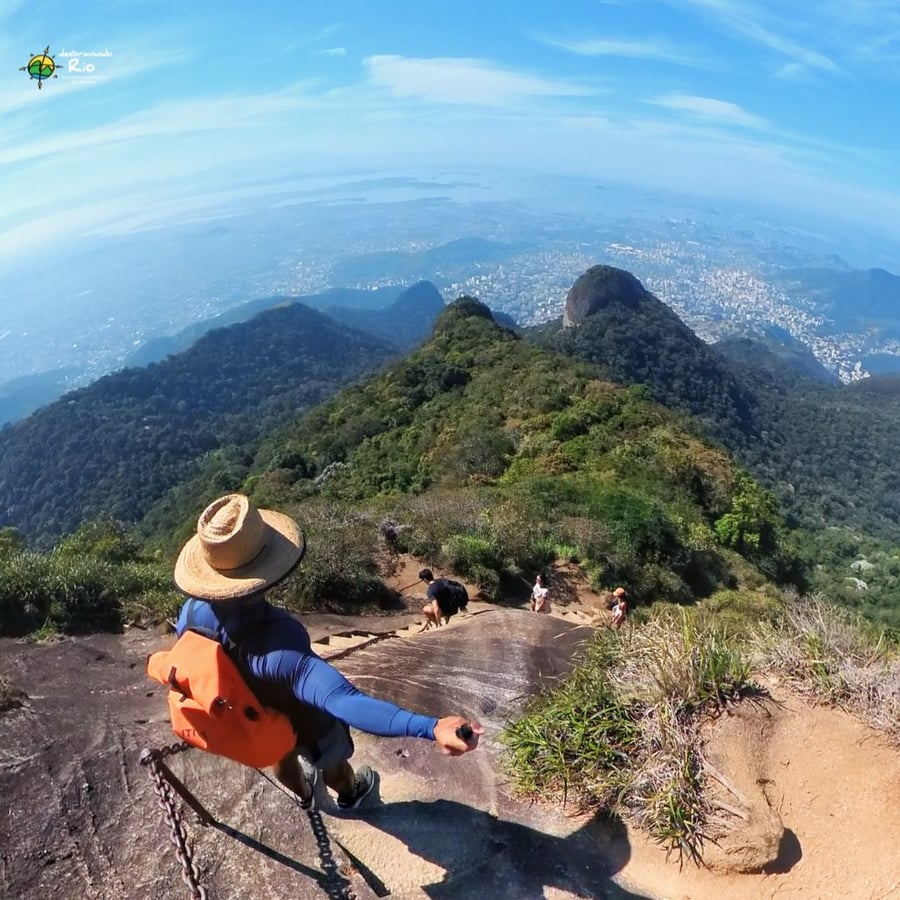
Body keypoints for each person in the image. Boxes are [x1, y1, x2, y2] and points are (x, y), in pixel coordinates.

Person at [173, 493, 483, 812]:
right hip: (308, 720)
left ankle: (304, 796)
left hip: (251, 715)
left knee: (280, 751)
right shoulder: (279, 639)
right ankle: (350, 792)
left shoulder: (191, 612)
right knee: (334, 764)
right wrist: (430, 727)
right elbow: (342, 700)